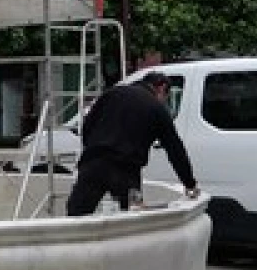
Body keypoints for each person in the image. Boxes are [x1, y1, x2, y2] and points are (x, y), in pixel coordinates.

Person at [66, 72, 200, 216]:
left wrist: (92, 148)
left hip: (94, 163)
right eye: (165, 97)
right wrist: (189, 183)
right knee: (132, 218)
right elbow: (175, 149)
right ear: (161, 88)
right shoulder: (156, 108)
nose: (164, 101)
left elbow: (87, 126)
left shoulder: (111, 93)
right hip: (127, 171)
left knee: (77, 213)